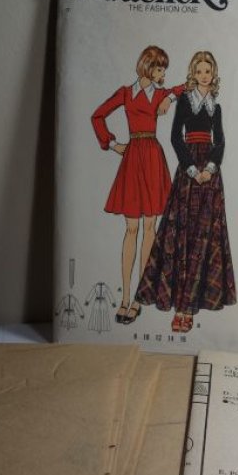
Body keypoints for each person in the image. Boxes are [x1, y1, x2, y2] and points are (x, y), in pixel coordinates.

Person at [135, 50, 236, 332]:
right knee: (183, 234)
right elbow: (174, 137)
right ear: (193, 73)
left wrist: (210, 169)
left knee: (204, 236)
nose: (204, 75)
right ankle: (179, 307)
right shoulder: (183, 101)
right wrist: (192, 169)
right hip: (187, 170)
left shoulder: (216, 107)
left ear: (213, 75)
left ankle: (189, 309)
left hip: (210, 174)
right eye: (199, 71)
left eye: (208, 71)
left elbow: (221, 141)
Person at [91, 46, 185, 324]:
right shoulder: (124, 93)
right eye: (159, 68)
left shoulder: (160, 94)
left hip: (153, 158)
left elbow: (185, 85)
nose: (162, 73)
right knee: (131, 228)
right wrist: (111, 144)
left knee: (149, 227)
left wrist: (169, 97)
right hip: (133, 157)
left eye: (164, 69)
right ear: (147, 66)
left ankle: (138, 298)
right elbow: (97, 115)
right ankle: (124, 298)